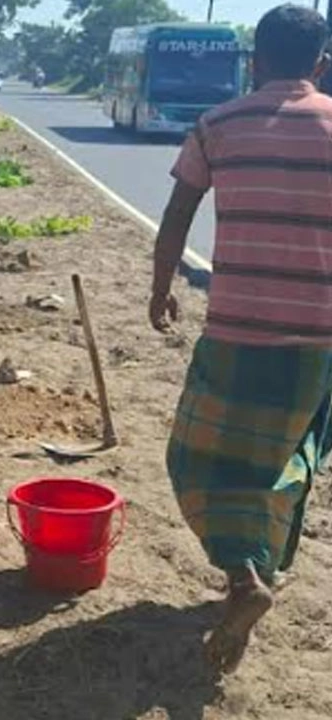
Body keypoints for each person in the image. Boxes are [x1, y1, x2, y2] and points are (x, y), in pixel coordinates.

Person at [149, 4, 332, 676]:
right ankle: (257, 578)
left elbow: (176, 213)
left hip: (236, 332)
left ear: (254, 60)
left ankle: (240, 575)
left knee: (195, 461)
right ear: (320, 63)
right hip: (319, 343)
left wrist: (159, 287)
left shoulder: (217, 124)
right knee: (286, 467)